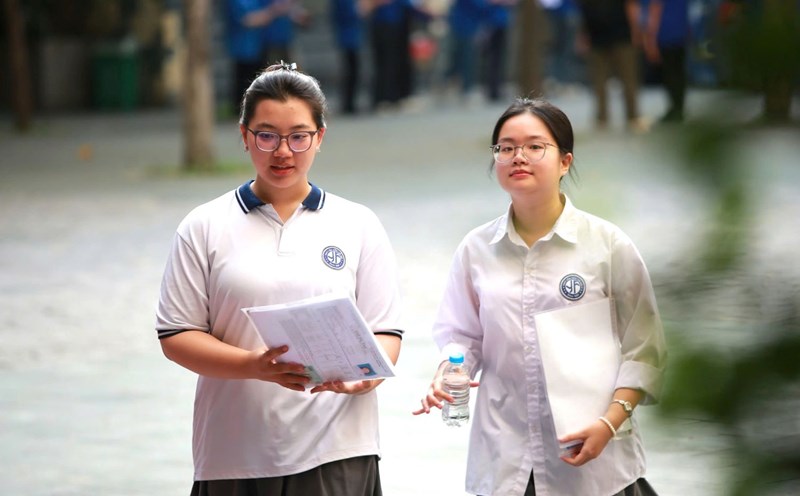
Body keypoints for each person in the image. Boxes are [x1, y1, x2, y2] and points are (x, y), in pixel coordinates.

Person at [156, 62, 404, 496]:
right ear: (244, 135)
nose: (283, 151)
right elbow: (177, 335)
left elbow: (385, 331)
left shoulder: (358, 223)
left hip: (339, 449)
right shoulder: (204, 225)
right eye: (267, 135)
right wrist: (254, 366)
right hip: (234, 452)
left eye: (298, 136)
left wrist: (366, 377)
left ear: (320, 137)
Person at [413, 97, 667, 495]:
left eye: (535, 146)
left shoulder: (607, 245)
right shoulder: (476, 249)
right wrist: (448, 372)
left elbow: (645, 351)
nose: (519, 157)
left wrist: (610, 423)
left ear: (565, 161)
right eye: (506, 147)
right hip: (505, 461)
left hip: (593, 462)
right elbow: (461, 337)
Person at [576, 0, 649, 132]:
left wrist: (636, 31)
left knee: (625, 79)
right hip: (601, 38)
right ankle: (609, 117)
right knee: (608, 80)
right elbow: (584, 12)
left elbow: (631, 6)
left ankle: (628, 116)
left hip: (619, 36)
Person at [642, 0, 690, 123]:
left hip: (665, 34)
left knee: (669, 73)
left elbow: (655, 9)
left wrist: (651, 39)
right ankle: (679, 107)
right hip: (680, 33)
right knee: (679, 72)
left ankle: (674, 108)